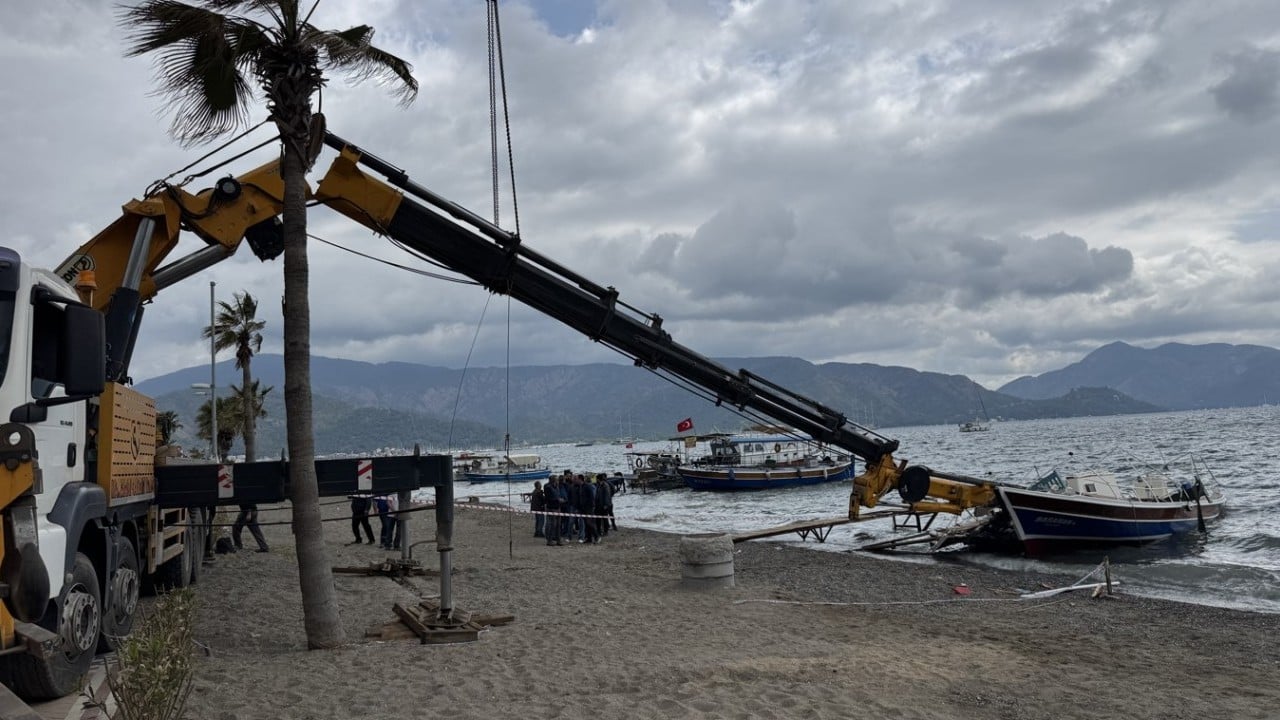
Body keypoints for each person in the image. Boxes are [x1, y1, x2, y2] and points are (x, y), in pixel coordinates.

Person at [543, 476, 562, 546]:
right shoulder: (548, 487)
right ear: (554, 481)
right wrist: (558, 499)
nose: (558, 482)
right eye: (557, 480)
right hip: (552, 508)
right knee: (552, 525)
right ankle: (550, 540)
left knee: (558, 525)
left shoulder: (557, 487)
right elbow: (549, 498)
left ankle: (558, 540)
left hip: (558, 507)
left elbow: (557, 495)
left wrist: (559, 500)